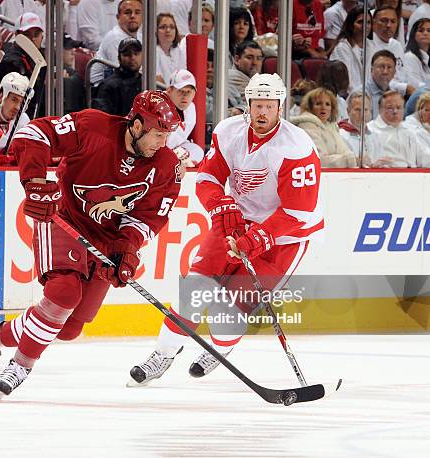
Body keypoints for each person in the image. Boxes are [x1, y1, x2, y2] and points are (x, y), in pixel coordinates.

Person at [0, 90, 183, 397]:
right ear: (137, 125)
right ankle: (21, 366)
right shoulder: (93, 128)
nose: (161, 144)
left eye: (166, 137)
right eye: (157, 135)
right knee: (63, 293)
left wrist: (127, 247)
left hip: (106, 240)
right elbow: (32, 133)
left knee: (70, 328)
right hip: (64, 219)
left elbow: (149, 215)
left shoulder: (166, 165)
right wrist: (34, 181)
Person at [127, 74, 324, 385]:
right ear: (247, 104)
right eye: (257, 105)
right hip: (235, 223)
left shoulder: (297, 147)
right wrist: (220, 205)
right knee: (193, 290)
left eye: (269, 106)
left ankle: (219, 349)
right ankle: (163, 353)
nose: (262, 113)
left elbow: (298, 211)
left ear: (280, 107)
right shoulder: (228, 131)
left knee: (227, 313)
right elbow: (207, 179)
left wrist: (258, 238)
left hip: (285, 237)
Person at [290, 88, 358, 167]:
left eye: (327, 104)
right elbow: (319, 159)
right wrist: (348, 160)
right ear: (310, 107)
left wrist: (354, 159)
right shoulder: (307, 125)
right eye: (318, 103)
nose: (323, 107)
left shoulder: (331, 127)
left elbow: (345, 152)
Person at [0, 12, 46, 118]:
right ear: (17, 35)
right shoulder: (11, 61)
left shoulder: (42, 55)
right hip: (16, 116)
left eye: (36, 34)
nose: (33, 38)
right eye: (28, 35)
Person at [366, 90, 429, 167]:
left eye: (399, 107)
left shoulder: (410, 131)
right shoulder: (369, 130)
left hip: (410, 175)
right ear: (380, 109)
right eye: (390, 108)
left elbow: (424, 158)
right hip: (379, 174)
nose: (395, 111)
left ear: (403, 109)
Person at [89, 0, 143, 86]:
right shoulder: (114, 38)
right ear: (118, 17)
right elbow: (126, 72)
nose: (133, 16)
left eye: (137, 12)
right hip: (102, 91)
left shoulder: (141, 37)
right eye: (127, 12)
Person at [0, 71, 31, 162]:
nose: (18, 107)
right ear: (1, 96)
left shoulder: (23, 120)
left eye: (22, 102)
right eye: (14, 100)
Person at [93, 38, 142, 116]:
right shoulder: (108, 86)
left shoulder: (146, 82)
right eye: (127, 54)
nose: (132, 57)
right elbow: (102, 120)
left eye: (136, 53)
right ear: (119, 58)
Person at [165, 69, 204, 167]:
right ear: (169, 91)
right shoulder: (159, 106)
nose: (185, 96)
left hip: (173, 149)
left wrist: (180, 152)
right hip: (152, 151)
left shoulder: (191, 108)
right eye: (181, 91)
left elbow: (179, 138)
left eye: (189, 91)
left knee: (198, 151)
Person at [329, 6, 372, 91]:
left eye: (368, 22)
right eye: (360, 22)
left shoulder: (372, 46)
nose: (365, 26)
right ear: (351, 25)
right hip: (350, 97)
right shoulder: (342, 48)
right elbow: (344, 83)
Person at [338, 91, 374, 160]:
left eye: (365, 110)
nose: (362, 114)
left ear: (370, 111)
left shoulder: (374, 134)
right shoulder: (341, 135)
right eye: (357, 110)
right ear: (348, 111)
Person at [156, 13, 186, 84]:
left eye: (172, 27)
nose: (168, 30)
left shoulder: (179, 51)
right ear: (155, 31)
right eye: (163, 27)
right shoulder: (153, 51)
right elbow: (157, 79)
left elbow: (183, 77)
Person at [403, 18, 430, 89]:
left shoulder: (426, 56)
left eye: (429, 31)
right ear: (413, 34)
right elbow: (413, 83)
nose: (425, 33)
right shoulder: (409, 57)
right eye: (421, 30)